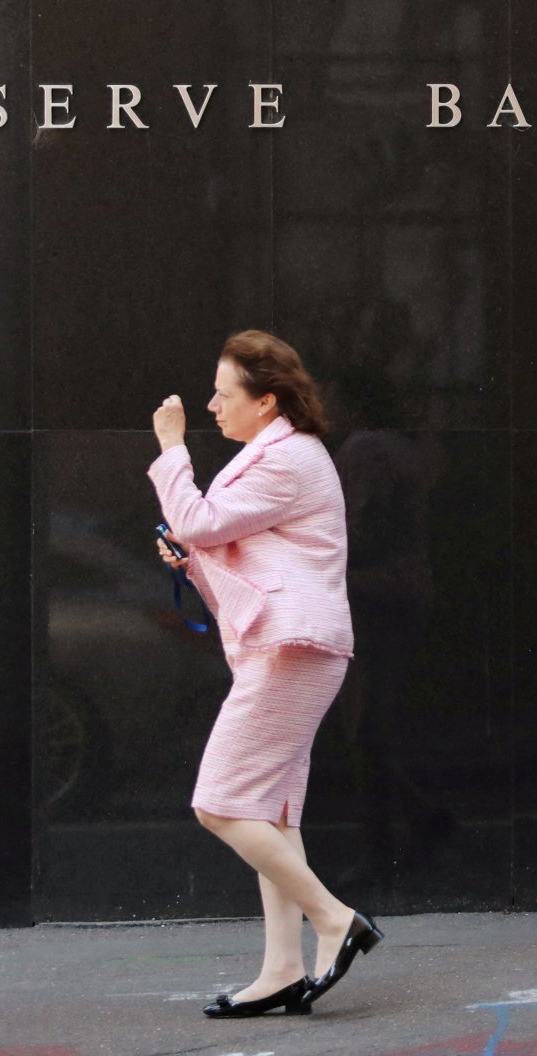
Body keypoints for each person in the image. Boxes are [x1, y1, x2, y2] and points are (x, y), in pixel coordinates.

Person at [148, 330, 382, 1016]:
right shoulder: (276, 455)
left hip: (293, 647)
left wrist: (171, 448)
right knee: (273, 811)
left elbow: (195, 516)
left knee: (218, 802)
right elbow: (235, 541)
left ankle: (335, 920)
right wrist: (192, 559)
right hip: (286, 644)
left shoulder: (289, 460)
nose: (211, 406)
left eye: (223, 394)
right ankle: (283, 968)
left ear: (266, 400)